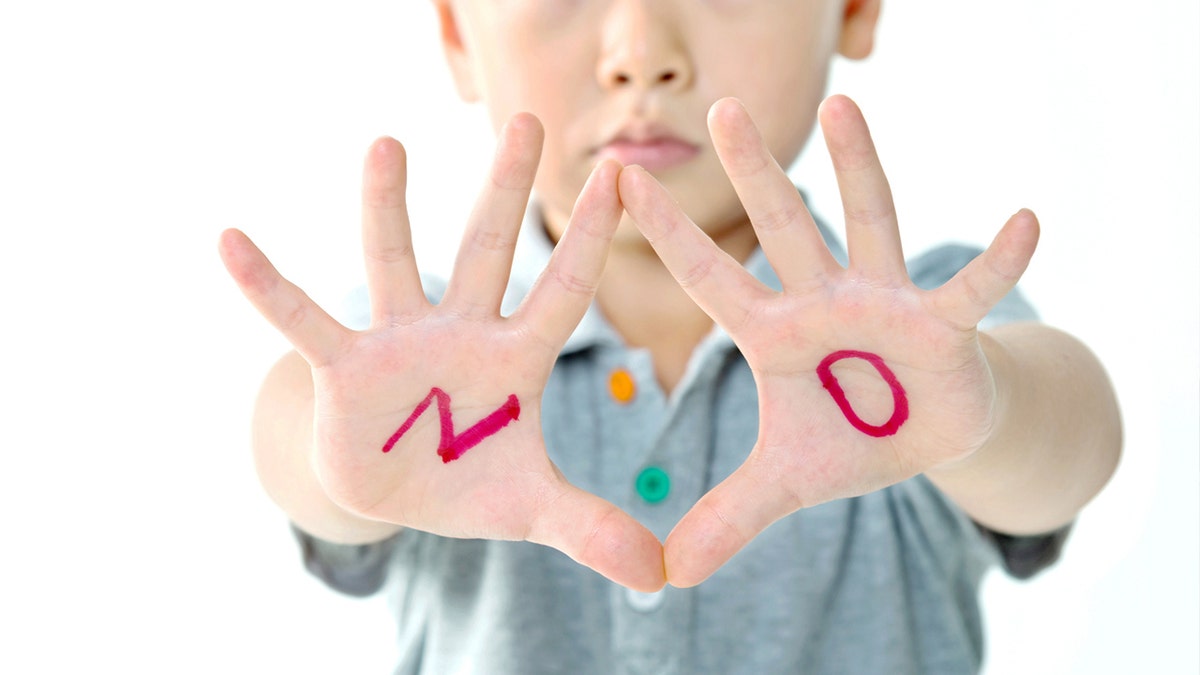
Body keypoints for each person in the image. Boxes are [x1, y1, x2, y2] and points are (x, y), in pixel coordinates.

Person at [218, 1, 1122, 672]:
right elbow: (305, 446)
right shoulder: (412, 369)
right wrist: (321, 435)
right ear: (458, 34)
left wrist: (987, 402)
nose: (641, 54)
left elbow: (1067, 445)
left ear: (852, 9)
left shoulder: (921, 333)